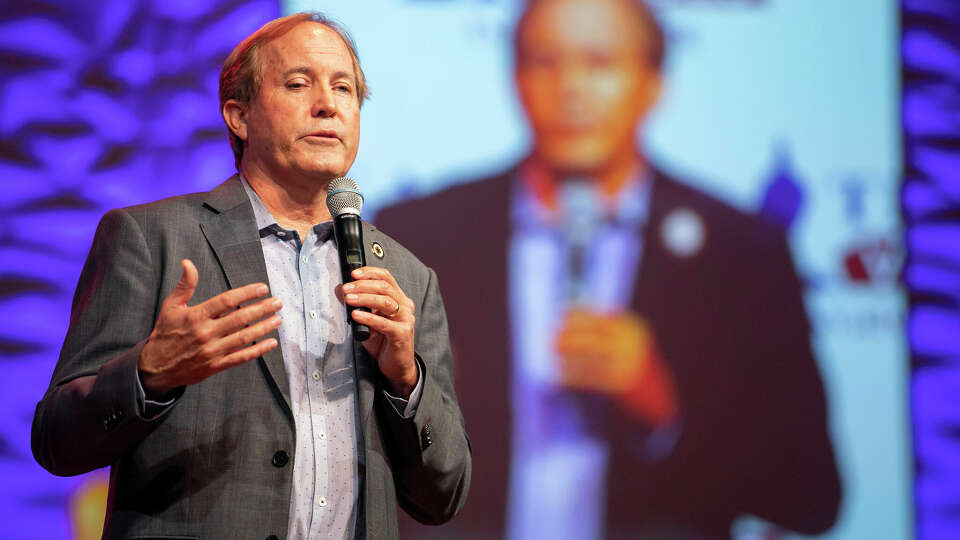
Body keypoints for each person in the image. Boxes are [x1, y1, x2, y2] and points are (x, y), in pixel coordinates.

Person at [375, 0, 840, 538]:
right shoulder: (425, 233)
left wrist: (666, 410)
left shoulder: (742, 252)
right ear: (515, 77)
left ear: (653, 83)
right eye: (545, 61)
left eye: (599, 62)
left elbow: (811, 496)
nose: (570, 87)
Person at [31, 12, 470, 540]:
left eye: (344, 88)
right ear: (239, 116)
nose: (328, 104)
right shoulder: (153, 239)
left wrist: (407, 382)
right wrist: (150, 374)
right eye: (298, 83)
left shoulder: (404, 276)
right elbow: (56, 440)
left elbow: (444, 496)